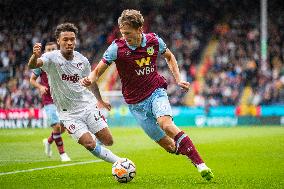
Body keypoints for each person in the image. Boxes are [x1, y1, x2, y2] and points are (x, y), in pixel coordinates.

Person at [81, 9, 214, 180]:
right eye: (122, 33)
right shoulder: (117, 48)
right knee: (170, 147)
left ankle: (201, 164)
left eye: (128, 33)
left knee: (166, 124)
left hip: (156, 92)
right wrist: (89, 79)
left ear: (139, 29)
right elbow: (98, 71)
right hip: (135, 105)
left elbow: (170, 56)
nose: (125, 36)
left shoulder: (154, 41)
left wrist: (178, 79)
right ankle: (186, 150)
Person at [28, 23, 122, 164]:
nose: (69, 42)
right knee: (89, 144)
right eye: (65, 39)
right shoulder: (50, 58)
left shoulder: (82, 61)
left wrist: (100, 100)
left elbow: (91, 82)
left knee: (108, 141)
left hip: (87, 106)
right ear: (58, 41)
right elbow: (33, 65)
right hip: (68, 114)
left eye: (72, 39)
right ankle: (119, 162)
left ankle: (93, 129)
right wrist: (35, 57)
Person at [30, 42, 71, 162]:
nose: (51, 51)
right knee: (57, 127)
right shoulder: (41, 64)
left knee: (62, 128)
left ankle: (48, 142)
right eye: (48, 49)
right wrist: (40, 87)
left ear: (57, 49)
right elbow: (32, 80)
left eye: (53, 49)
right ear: (45, 51)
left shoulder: (62, 63)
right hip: (48, 100)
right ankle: (63, 154)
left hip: (61, 100)